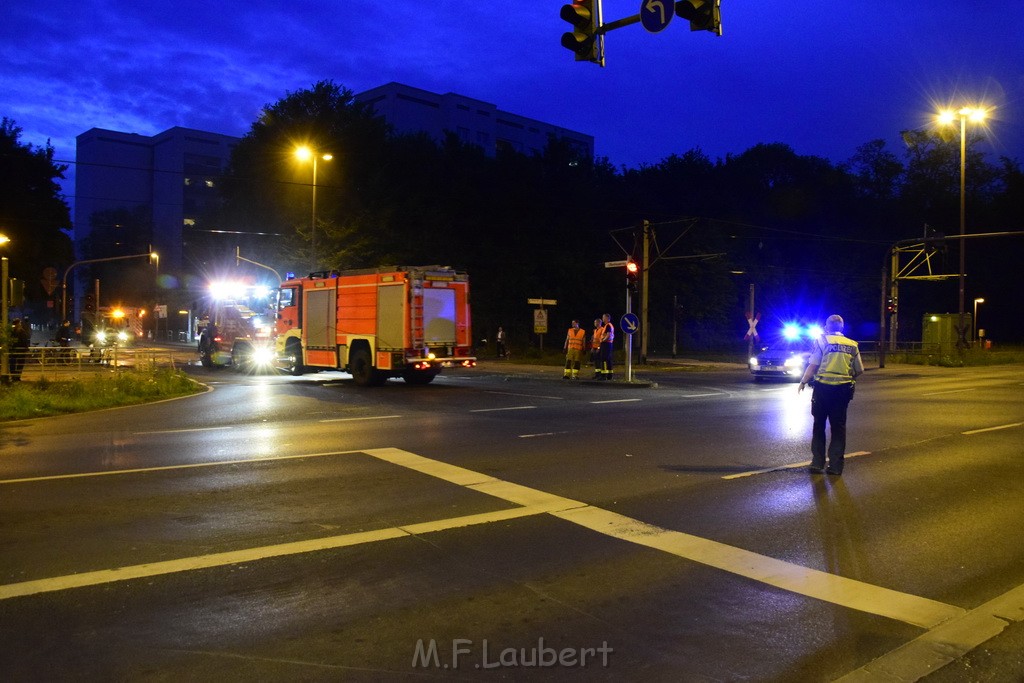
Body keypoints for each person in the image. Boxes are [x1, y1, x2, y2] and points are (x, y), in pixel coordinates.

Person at [798, 315, 864, 476]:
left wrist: (803, 381)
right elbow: (860, 370)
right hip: (842, 391)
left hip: (823, 389)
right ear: (842, 327)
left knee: (819, 425)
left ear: (827, 326)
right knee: (838, 428)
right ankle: (835, 466)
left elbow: (813, 365)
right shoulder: (852, 344)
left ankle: (817, 463)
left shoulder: (821, 341)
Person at [597, 313, 615, 380]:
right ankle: (609, 375)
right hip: (608, 344)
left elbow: (608, 335)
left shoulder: (608, 325)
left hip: (606, 344)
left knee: (603, 359)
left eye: (603, 317)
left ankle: (603, 375)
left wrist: (603, 340)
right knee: (608, 359)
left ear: (607, 318)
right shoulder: (608, 325)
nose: (603, 319)